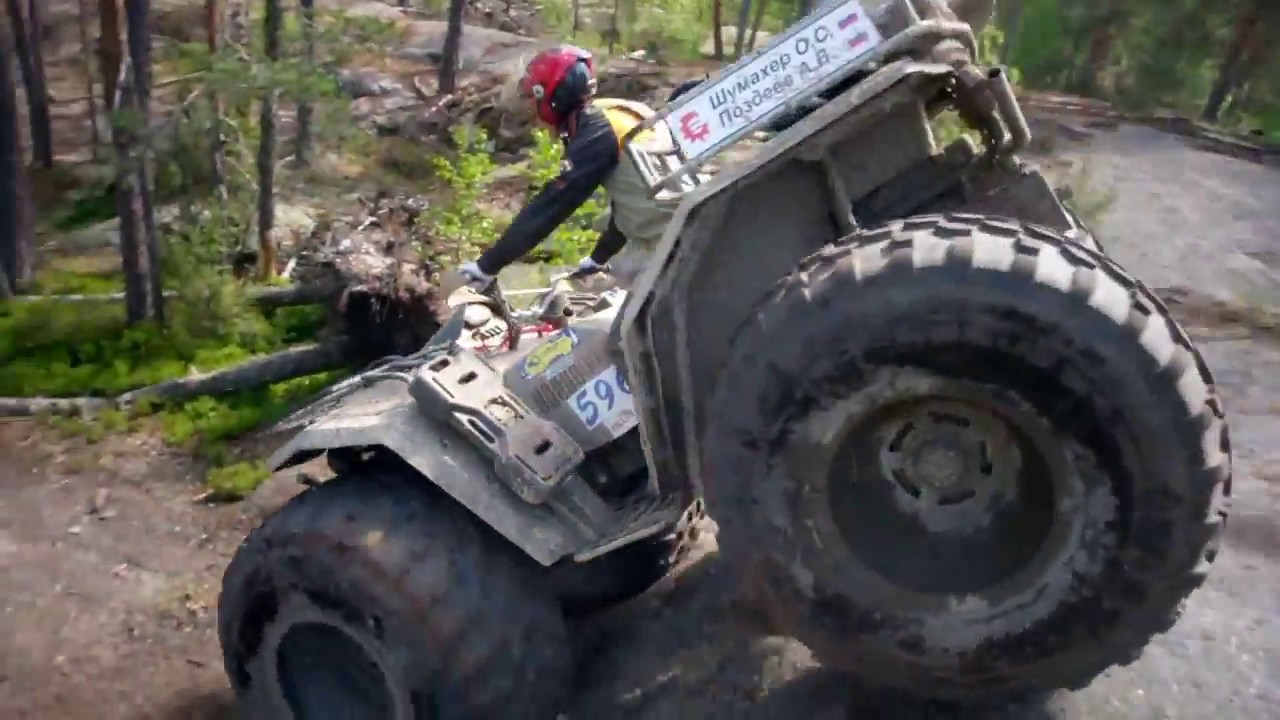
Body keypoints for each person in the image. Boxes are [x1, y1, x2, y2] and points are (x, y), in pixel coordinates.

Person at [458, 45, 689, 292]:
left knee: (624, 325)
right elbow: (634, 199)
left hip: (668, 249)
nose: (532, 109)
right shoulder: (616, 113)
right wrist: (597, 259)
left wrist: (487, 266)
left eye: (535, 98)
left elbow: (552, 206)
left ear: (553, 97)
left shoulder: (596, 133)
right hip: (683, 233)